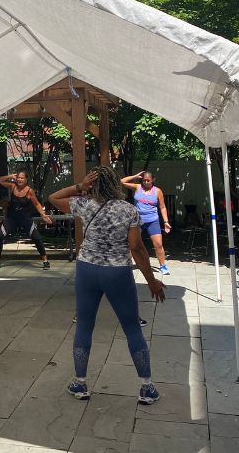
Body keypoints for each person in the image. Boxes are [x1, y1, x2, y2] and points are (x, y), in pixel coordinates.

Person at [50, 166, 166, 403]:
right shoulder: (129, 210)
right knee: (132, 327)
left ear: (93, 185)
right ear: (115, 183)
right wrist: (151, 281)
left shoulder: (84, 204)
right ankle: (146, 387)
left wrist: (80, 186)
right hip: (117, 273)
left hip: (87, 270)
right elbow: (136, 248)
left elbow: (53, 198)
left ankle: (80, 383)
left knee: (84, 325)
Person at [0, 170, 53, 269]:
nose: (19, 179)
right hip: (11, 218)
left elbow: (37, 204)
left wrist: (43, 215)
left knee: (37, 238)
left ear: (26, 180)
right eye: (18, 177)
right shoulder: (12, 186)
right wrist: (10, 176)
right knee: (0, 237)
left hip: (25, 218)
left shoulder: (29, 191)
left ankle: (45, 261)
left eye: (22, 178)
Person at [121, 170, 173, 275]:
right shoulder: (138, 187)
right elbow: (122, 181)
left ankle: (163, 266)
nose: (146, 182)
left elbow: (162, 207)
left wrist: (166, 221)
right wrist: (135, 176)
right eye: (144, 180)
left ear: (153, 180)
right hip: (137, 221)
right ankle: (127, 265)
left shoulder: (157, 191)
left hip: (152, 221)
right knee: (133, 244)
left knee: (158, 244)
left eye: (148, 180)